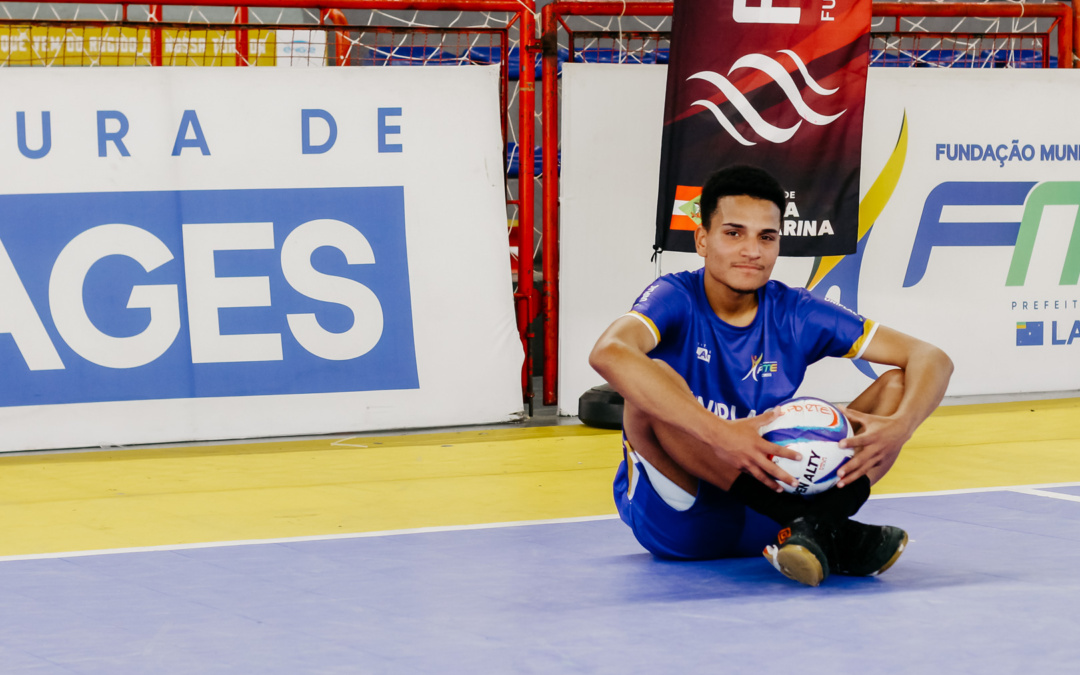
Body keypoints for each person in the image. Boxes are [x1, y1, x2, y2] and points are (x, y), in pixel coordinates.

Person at [589, 165, 953, 586]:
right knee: (650, 379)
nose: (752, 250)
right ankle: (821, 525)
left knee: (899, 386)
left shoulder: (795, 310)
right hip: (685, 521)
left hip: (771, 506)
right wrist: (721, 434)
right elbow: (608, 353)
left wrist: (900, 427)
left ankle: (817, 524)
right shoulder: (676, 296)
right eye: (733, 233)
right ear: (702, 240)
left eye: (767, 237)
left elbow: (931, 357)